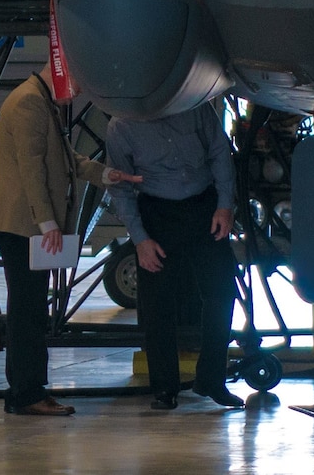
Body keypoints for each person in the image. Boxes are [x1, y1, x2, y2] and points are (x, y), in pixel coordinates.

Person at [0, 66, 141, 415]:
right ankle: (27, 393)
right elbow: (32, 169)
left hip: (26, 223)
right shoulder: (29, 103)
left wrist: (104, 174)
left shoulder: (40, 100)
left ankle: (25, 391)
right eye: (79, 86)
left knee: (30, 308)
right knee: (28, 311)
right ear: (64, 75)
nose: (78, 95)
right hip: (23, 224)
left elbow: (65, 159)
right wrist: (47, 222)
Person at [106, 101, 243, 409]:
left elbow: (220, 151)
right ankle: (164, 388)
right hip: (157, 212)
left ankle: (211, 380)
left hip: (203, 206)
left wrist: (225, 205)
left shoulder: (193, 105)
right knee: (157, 303)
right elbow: (120, 187)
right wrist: (140, 240)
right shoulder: (121, 125)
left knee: (222, 292)